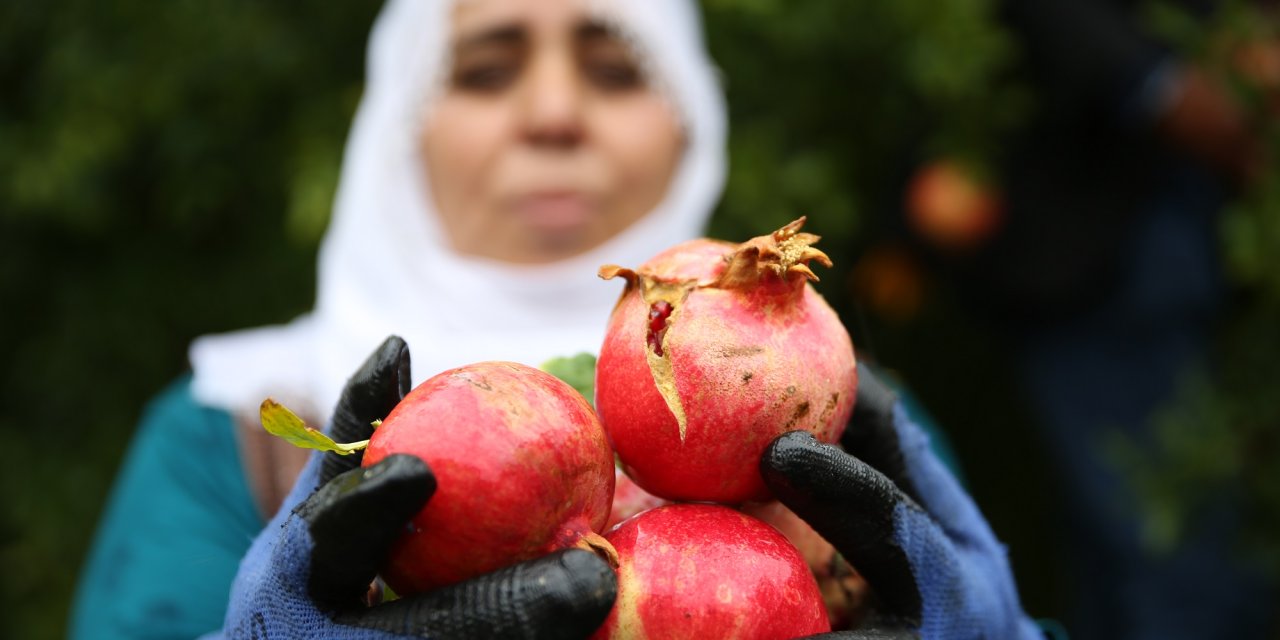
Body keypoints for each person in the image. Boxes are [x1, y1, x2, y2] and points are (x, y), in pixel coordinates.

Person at [70, 0, 1046, 638]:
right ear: (402, 125)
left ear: (687, 123)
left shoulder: (856, 427)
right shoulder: (225, 433)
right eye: (487, 69)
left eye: (616, 70)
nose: (551, 113)